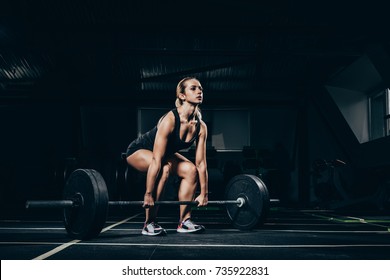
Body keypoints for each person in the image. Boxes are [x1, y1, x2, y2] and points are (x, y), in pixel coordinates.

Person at [126, 77, 209, 236]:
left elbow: (201, 163)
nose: (199, 91)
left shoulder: (200, 126)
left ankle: (184, 221)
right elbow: (157, 160)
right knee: (164, 168)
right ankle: (149, 223)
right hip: (139, 150)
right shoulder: (170, 119)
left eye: (201, 89)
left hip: (163, 154)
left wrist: (203, 193)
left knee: (191, 170)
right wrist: (148, 194)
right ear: (182, 96)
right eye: (193, 88)